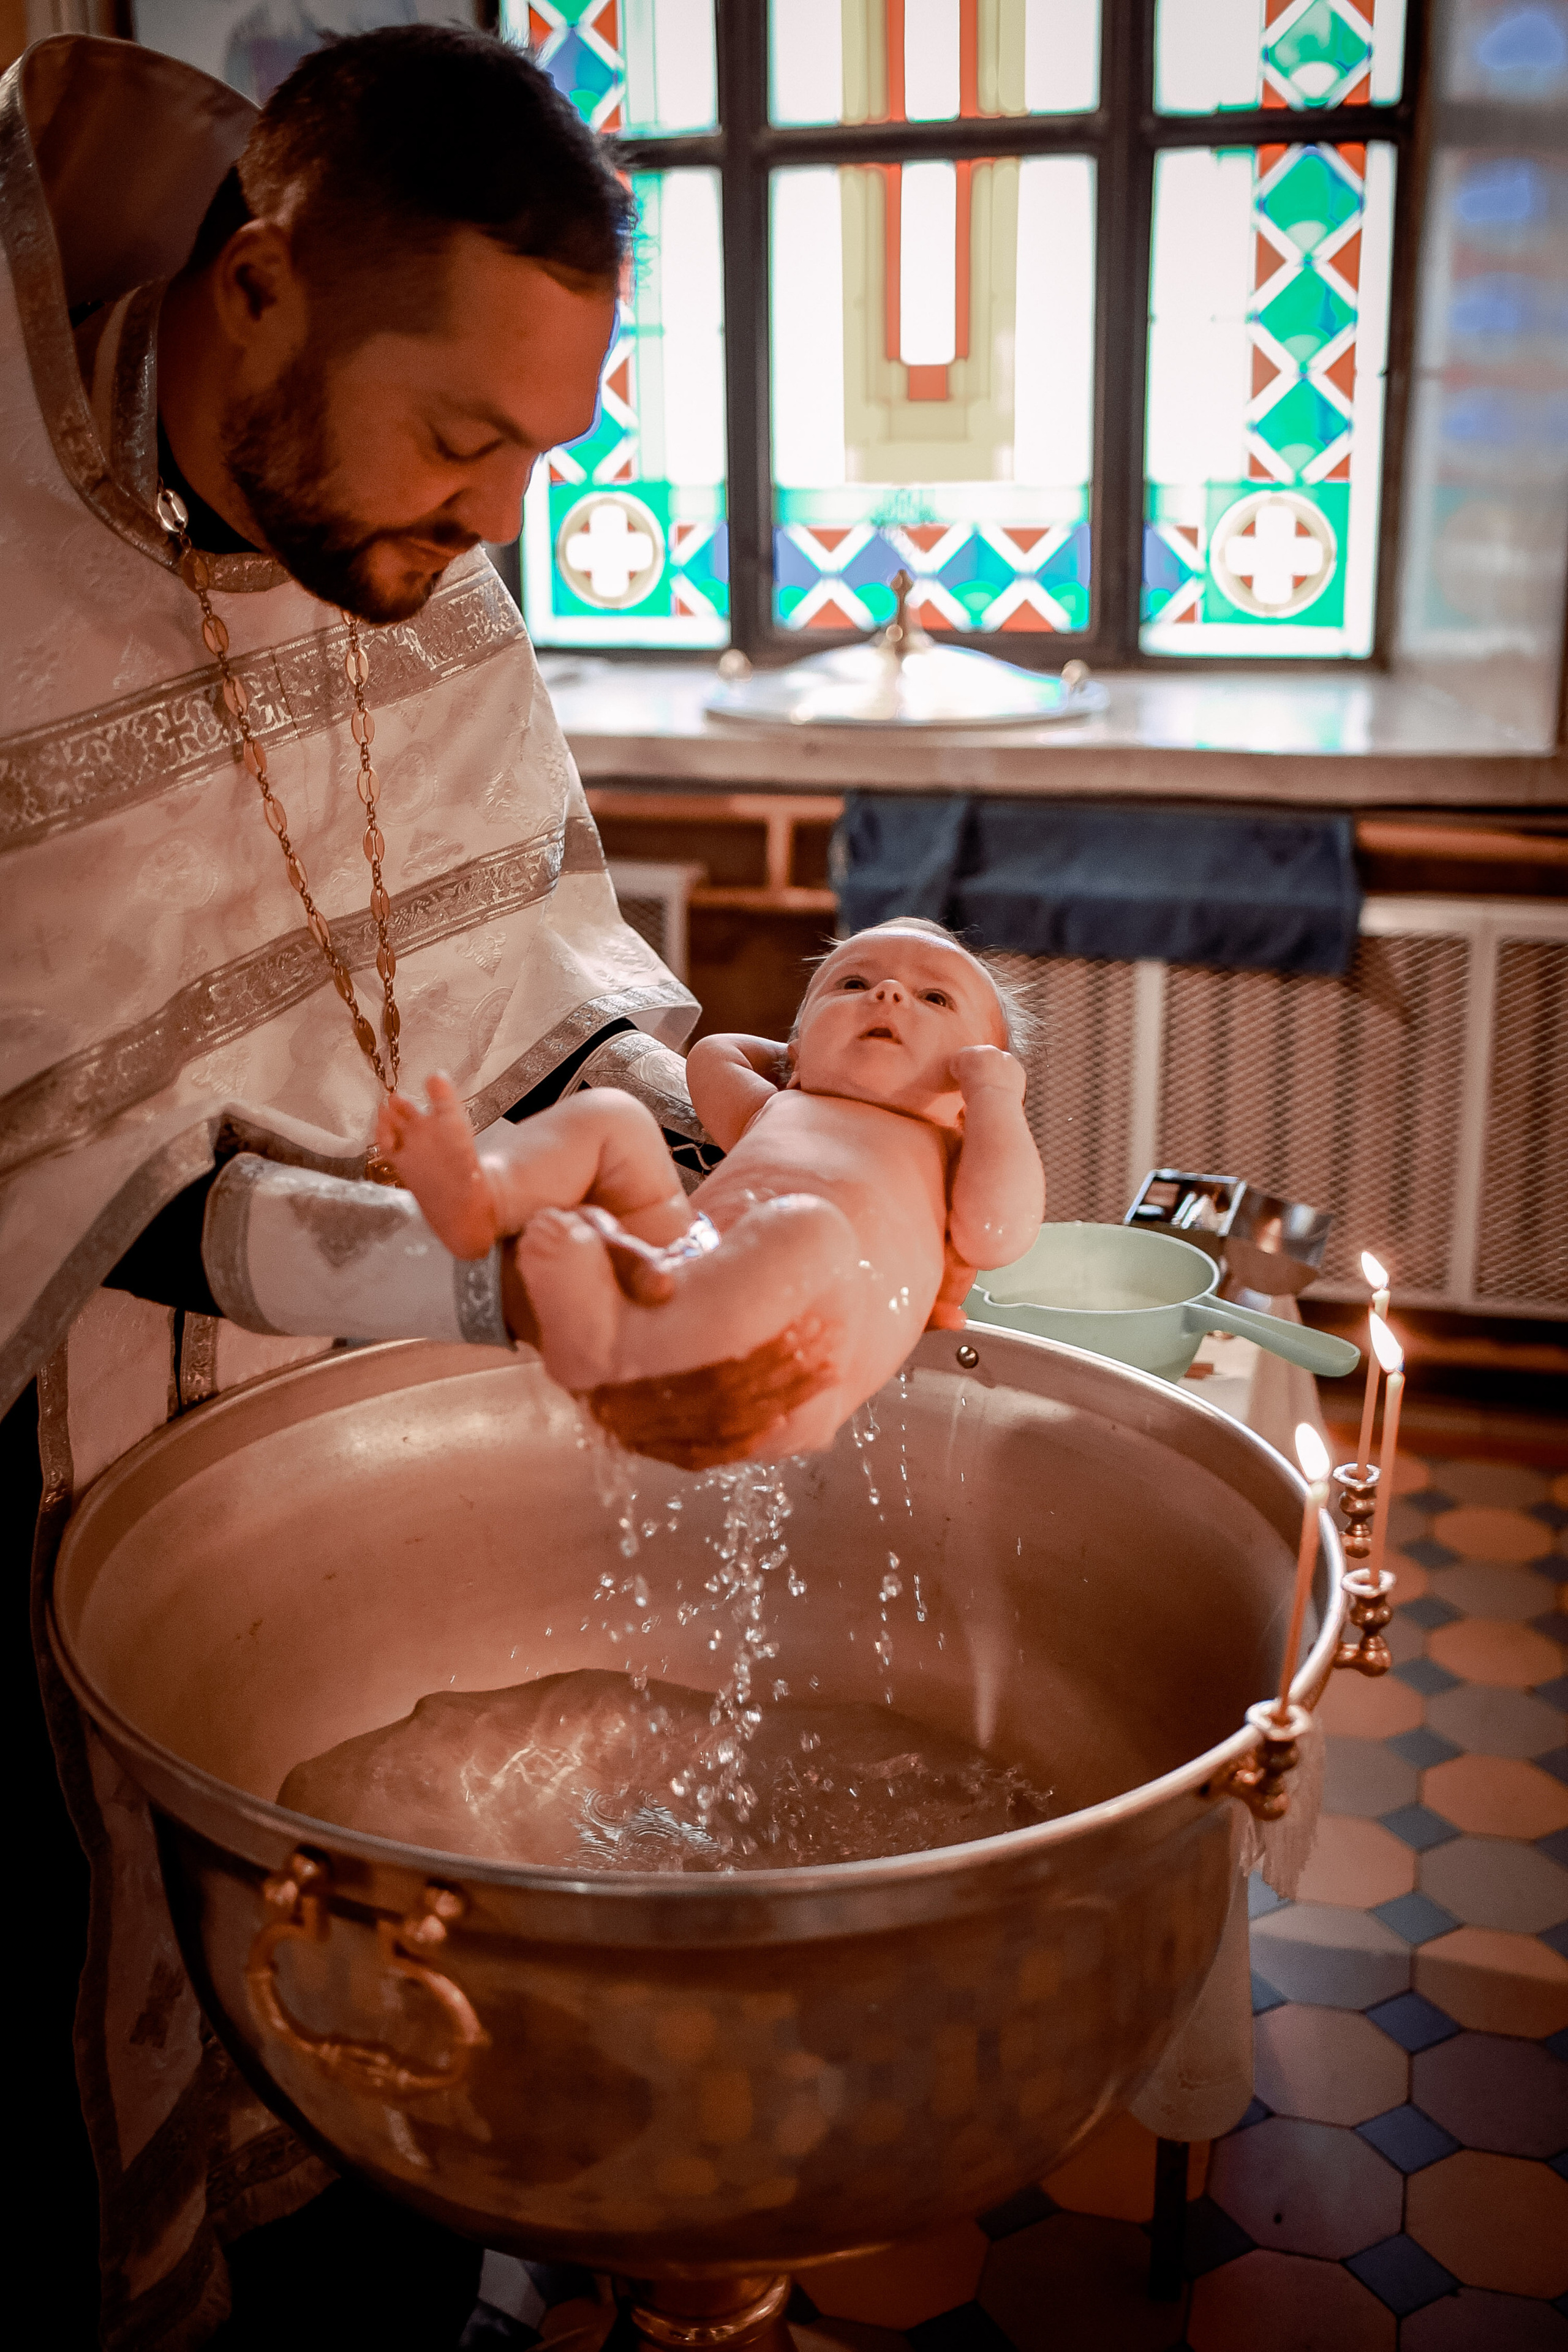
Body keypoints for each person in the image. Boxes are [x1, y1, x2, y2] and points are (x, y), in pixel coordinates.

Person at [0, 24, 825, 2343]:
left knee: (400, 2010)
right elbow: (54, 1130)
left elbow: (526, 959)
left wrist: (680, 1100)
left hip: (378, 1462)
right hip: (45, 1498)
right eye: (463, 437)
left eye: (542, 458)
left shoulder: (425, 579)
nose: (494, 528)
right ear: (256, 290)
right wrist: (455, 1278)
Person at [375, 920, 1046, 1459]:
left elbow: (999, 1232)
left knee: (808, 1226)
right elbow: (712, 1054)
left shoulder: (951, 1150)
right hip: (677, 1266)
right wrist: (795, 1061)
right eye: (851, 983)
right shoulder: (772, 1108)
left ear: (973, 1083)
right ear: (794, 1051)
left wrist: (993, 1103)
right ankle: (484, 1195)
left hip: (797, 1362)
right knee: (615, 1120)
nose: (888, 994)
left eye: (935, 998)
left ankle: (609, 1337)